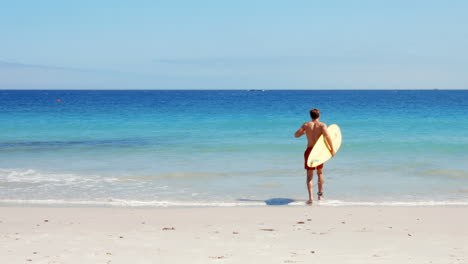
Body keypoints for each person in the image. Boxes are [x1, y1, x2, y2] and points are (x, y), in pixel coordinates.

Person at [294, 109, 335, 204]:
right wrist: (332, 149)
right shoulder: (322, 125)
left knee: (309, 176)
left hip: (309, 151)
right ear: (319, 115)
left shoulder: (306, 125)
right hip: (319, 152)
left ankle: (311, 198)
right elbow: (327, 136)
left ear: (310, 116)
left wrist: (305, 132)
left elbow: (296, 135)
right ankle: (320, 196)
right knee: (320, 173)